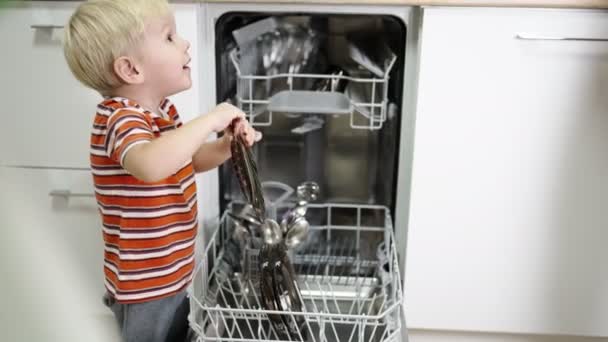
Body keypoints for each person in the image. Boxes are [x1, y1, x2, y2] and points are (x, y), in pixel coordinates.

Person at [63, 1, 261, 341]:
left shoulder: (162, 112)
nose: (183, 44)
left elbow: (190, 160)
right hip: (143, 286)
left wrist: (228, 144)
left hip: (170, 273)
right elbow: (152, 165)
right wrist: (209, 120)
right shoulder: (118, 118)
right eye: (170, 37)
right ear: (131, 70)